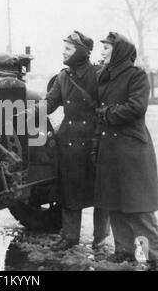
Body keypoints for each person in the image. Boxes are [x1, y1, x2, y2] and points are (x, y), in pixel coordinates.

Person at [95, 32, 158, 270]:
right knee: (114, 204)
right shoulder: (104, 76)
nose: (102, 52)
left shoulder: (136, 76)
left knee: (138, 208)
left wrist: (107, 113)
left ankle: (152, 255)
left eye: (106, 48)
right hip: (111, 151)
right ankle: (124, 251)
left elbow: (136, 107)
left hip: (131, 151)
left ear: (119, 51)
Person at [45, 31, 110, 252]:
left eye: (69, 49)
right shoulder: (63, 76)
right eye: (64, 48)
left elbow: (108, 105)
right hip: (70, 141)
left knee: (100, 193)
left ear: (81, 52)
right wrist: (24, 115)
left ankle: (100, 240)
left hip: (95, 141)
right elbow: (50, 103)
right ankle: (70, 237)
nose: (63, 52)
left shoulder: (99, 74)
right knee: (70, 191)